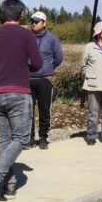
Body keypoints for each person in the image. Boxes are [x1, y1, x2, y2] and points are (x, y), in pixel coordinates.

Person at [0, 0, 42, 202]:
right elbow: (38, 64)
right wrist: (22, 69)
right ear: (21, 15)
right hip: (19, 93)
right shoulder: (26, 35)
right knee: (21, 138)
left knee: (4, 141)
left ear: (2, 15)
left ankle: (9, 185)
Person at [27, 11, 63, 149]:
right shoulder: (26, 37)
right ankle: (29, 138)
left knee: (44, 110)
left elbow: (58, 57)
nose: (33, 24)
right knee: (28, 110)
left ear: (44, 23)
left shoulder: (52, 38)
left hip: (44, 79)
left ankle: (43, 138)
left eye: (36, 21)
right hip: (28, 78)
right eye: (32, 21)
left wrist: (48, 68)